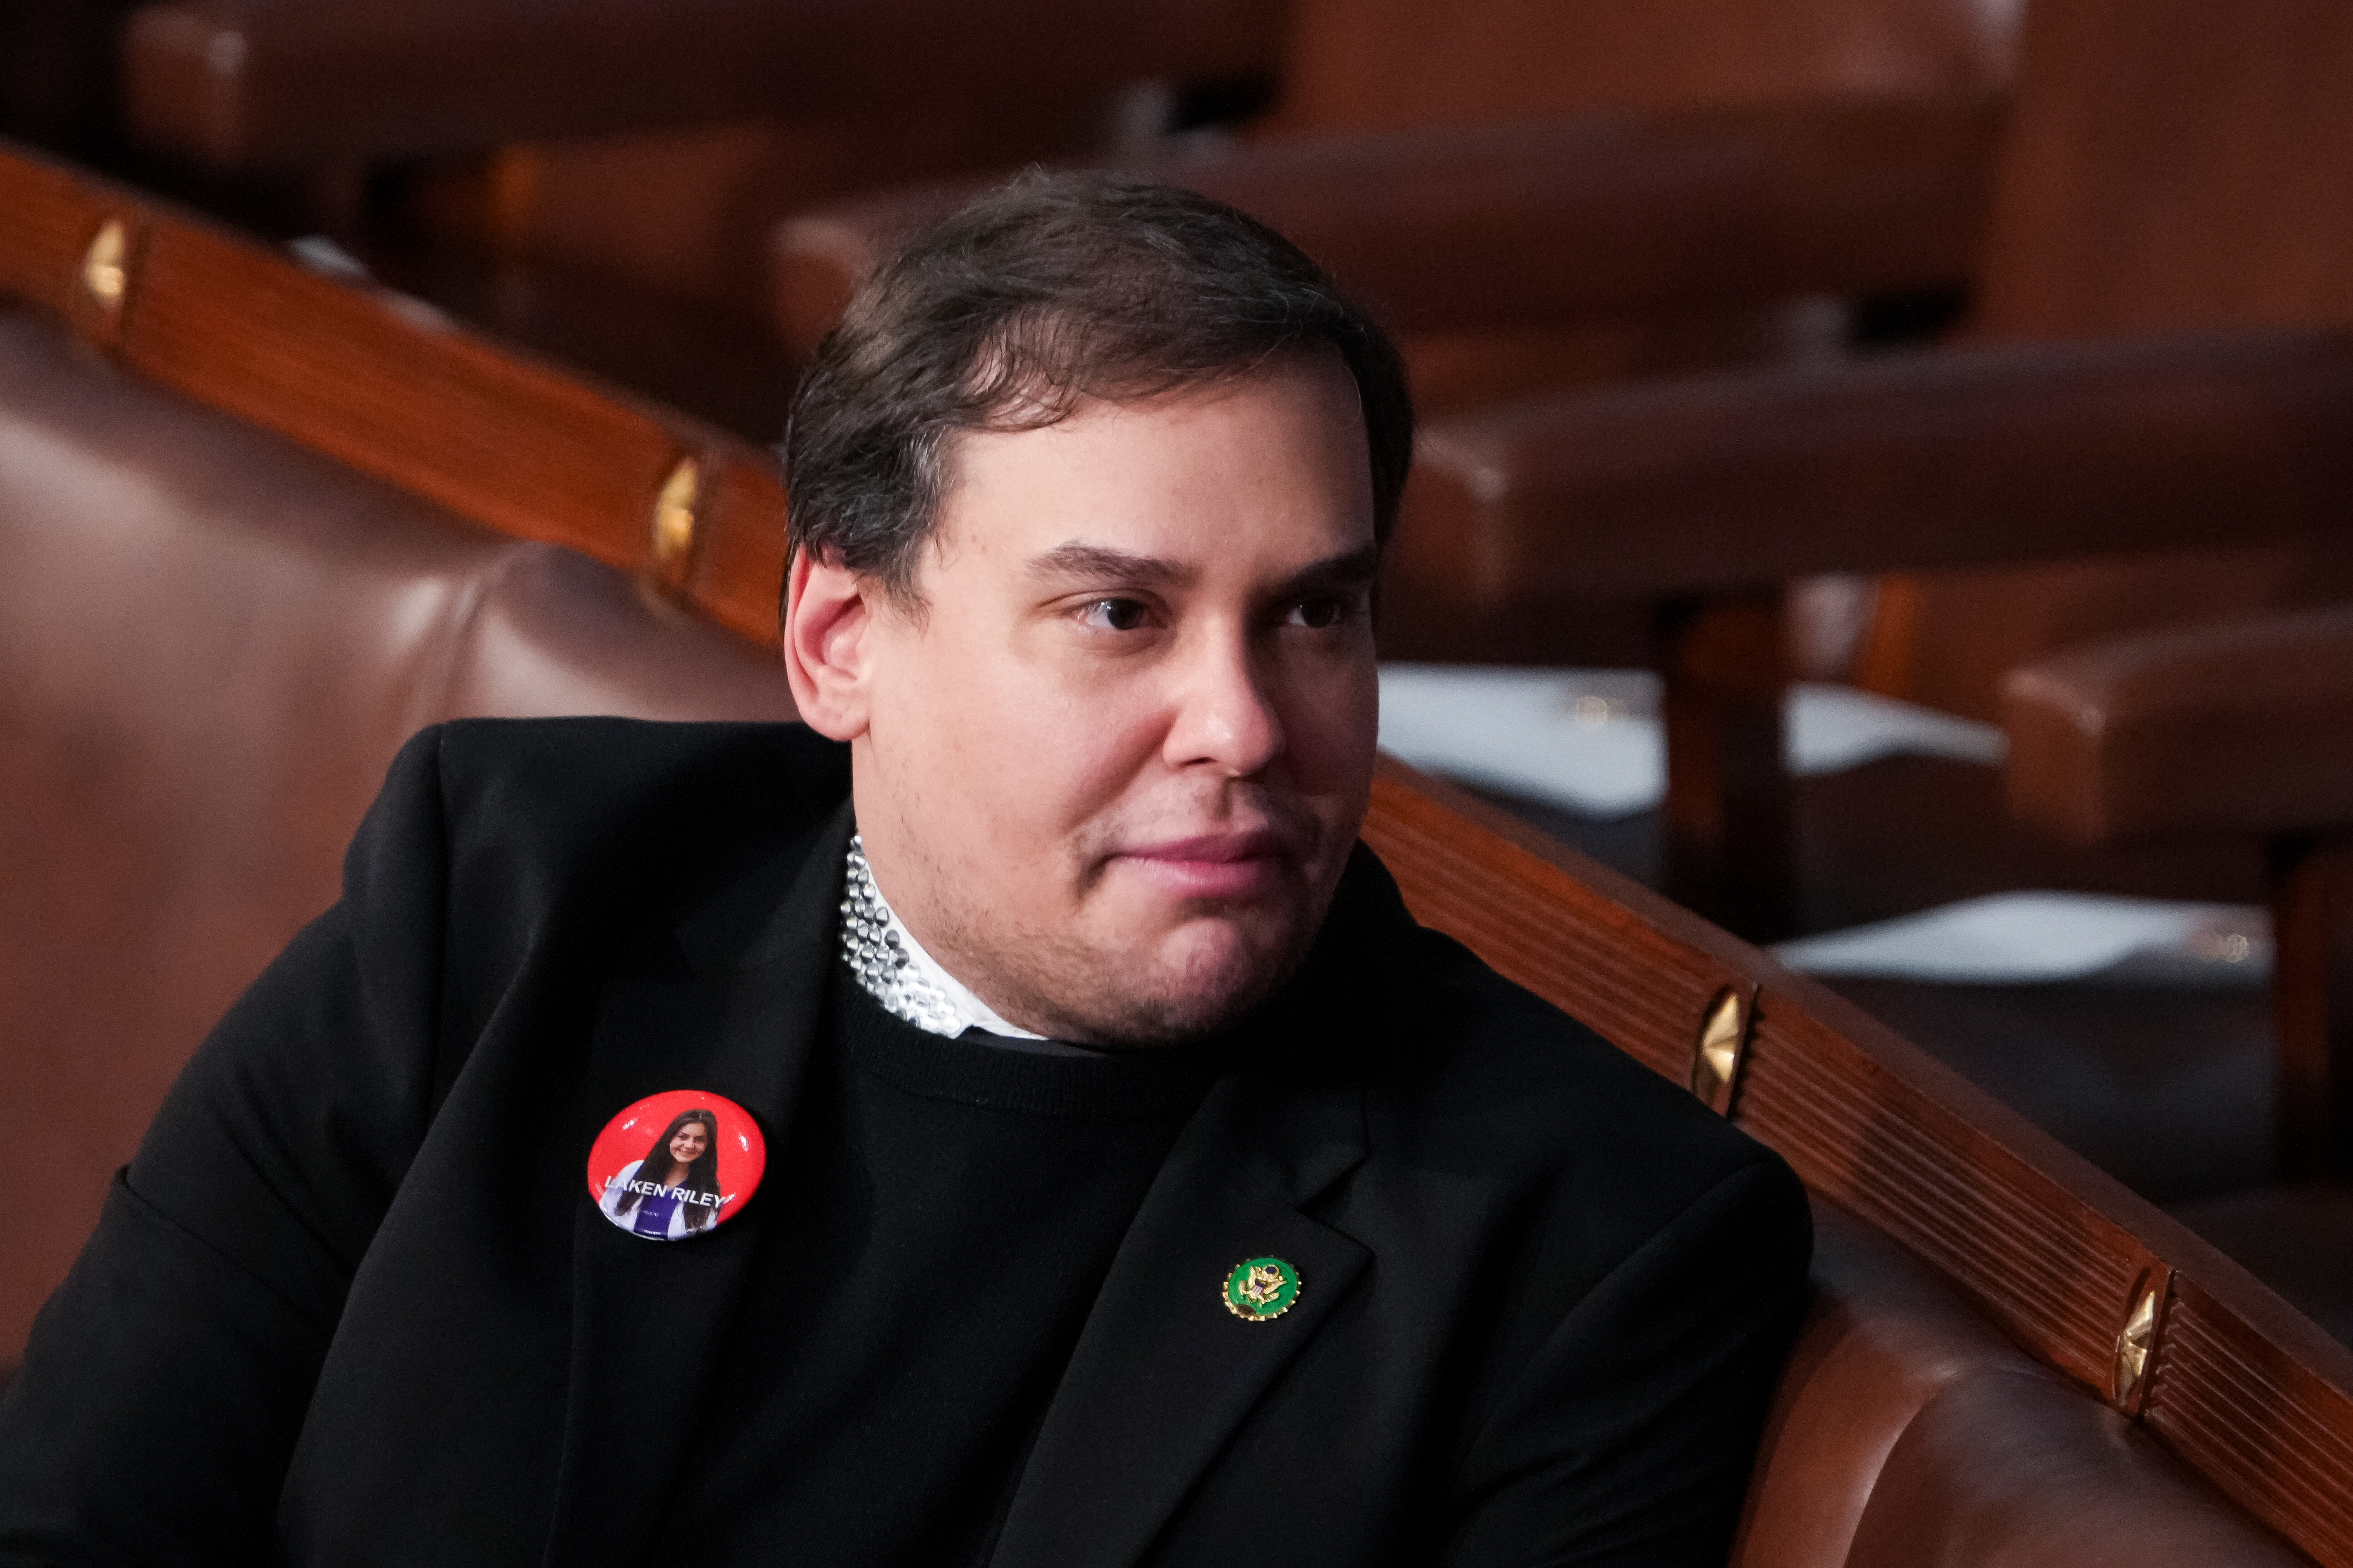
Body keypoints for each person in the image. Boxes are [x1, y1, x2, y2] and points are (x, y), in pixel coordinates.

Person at [0, 173, 1810, 1566]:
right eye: (1119, 612)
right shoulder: (504, 904)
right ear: (842, 638)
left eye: (1313, 612)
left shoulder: (1578, 1235)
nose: (1246, 725)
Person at [601, 1108, 724, 1239]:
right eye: (683, 1137)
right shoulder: (634, 1170)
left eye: (699, 1140)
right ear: (670, 1138)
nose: (689, 1145)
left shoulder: (709, 1188)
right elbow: (607, 1207)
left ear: (707, 1146)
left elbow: (705, 1229)